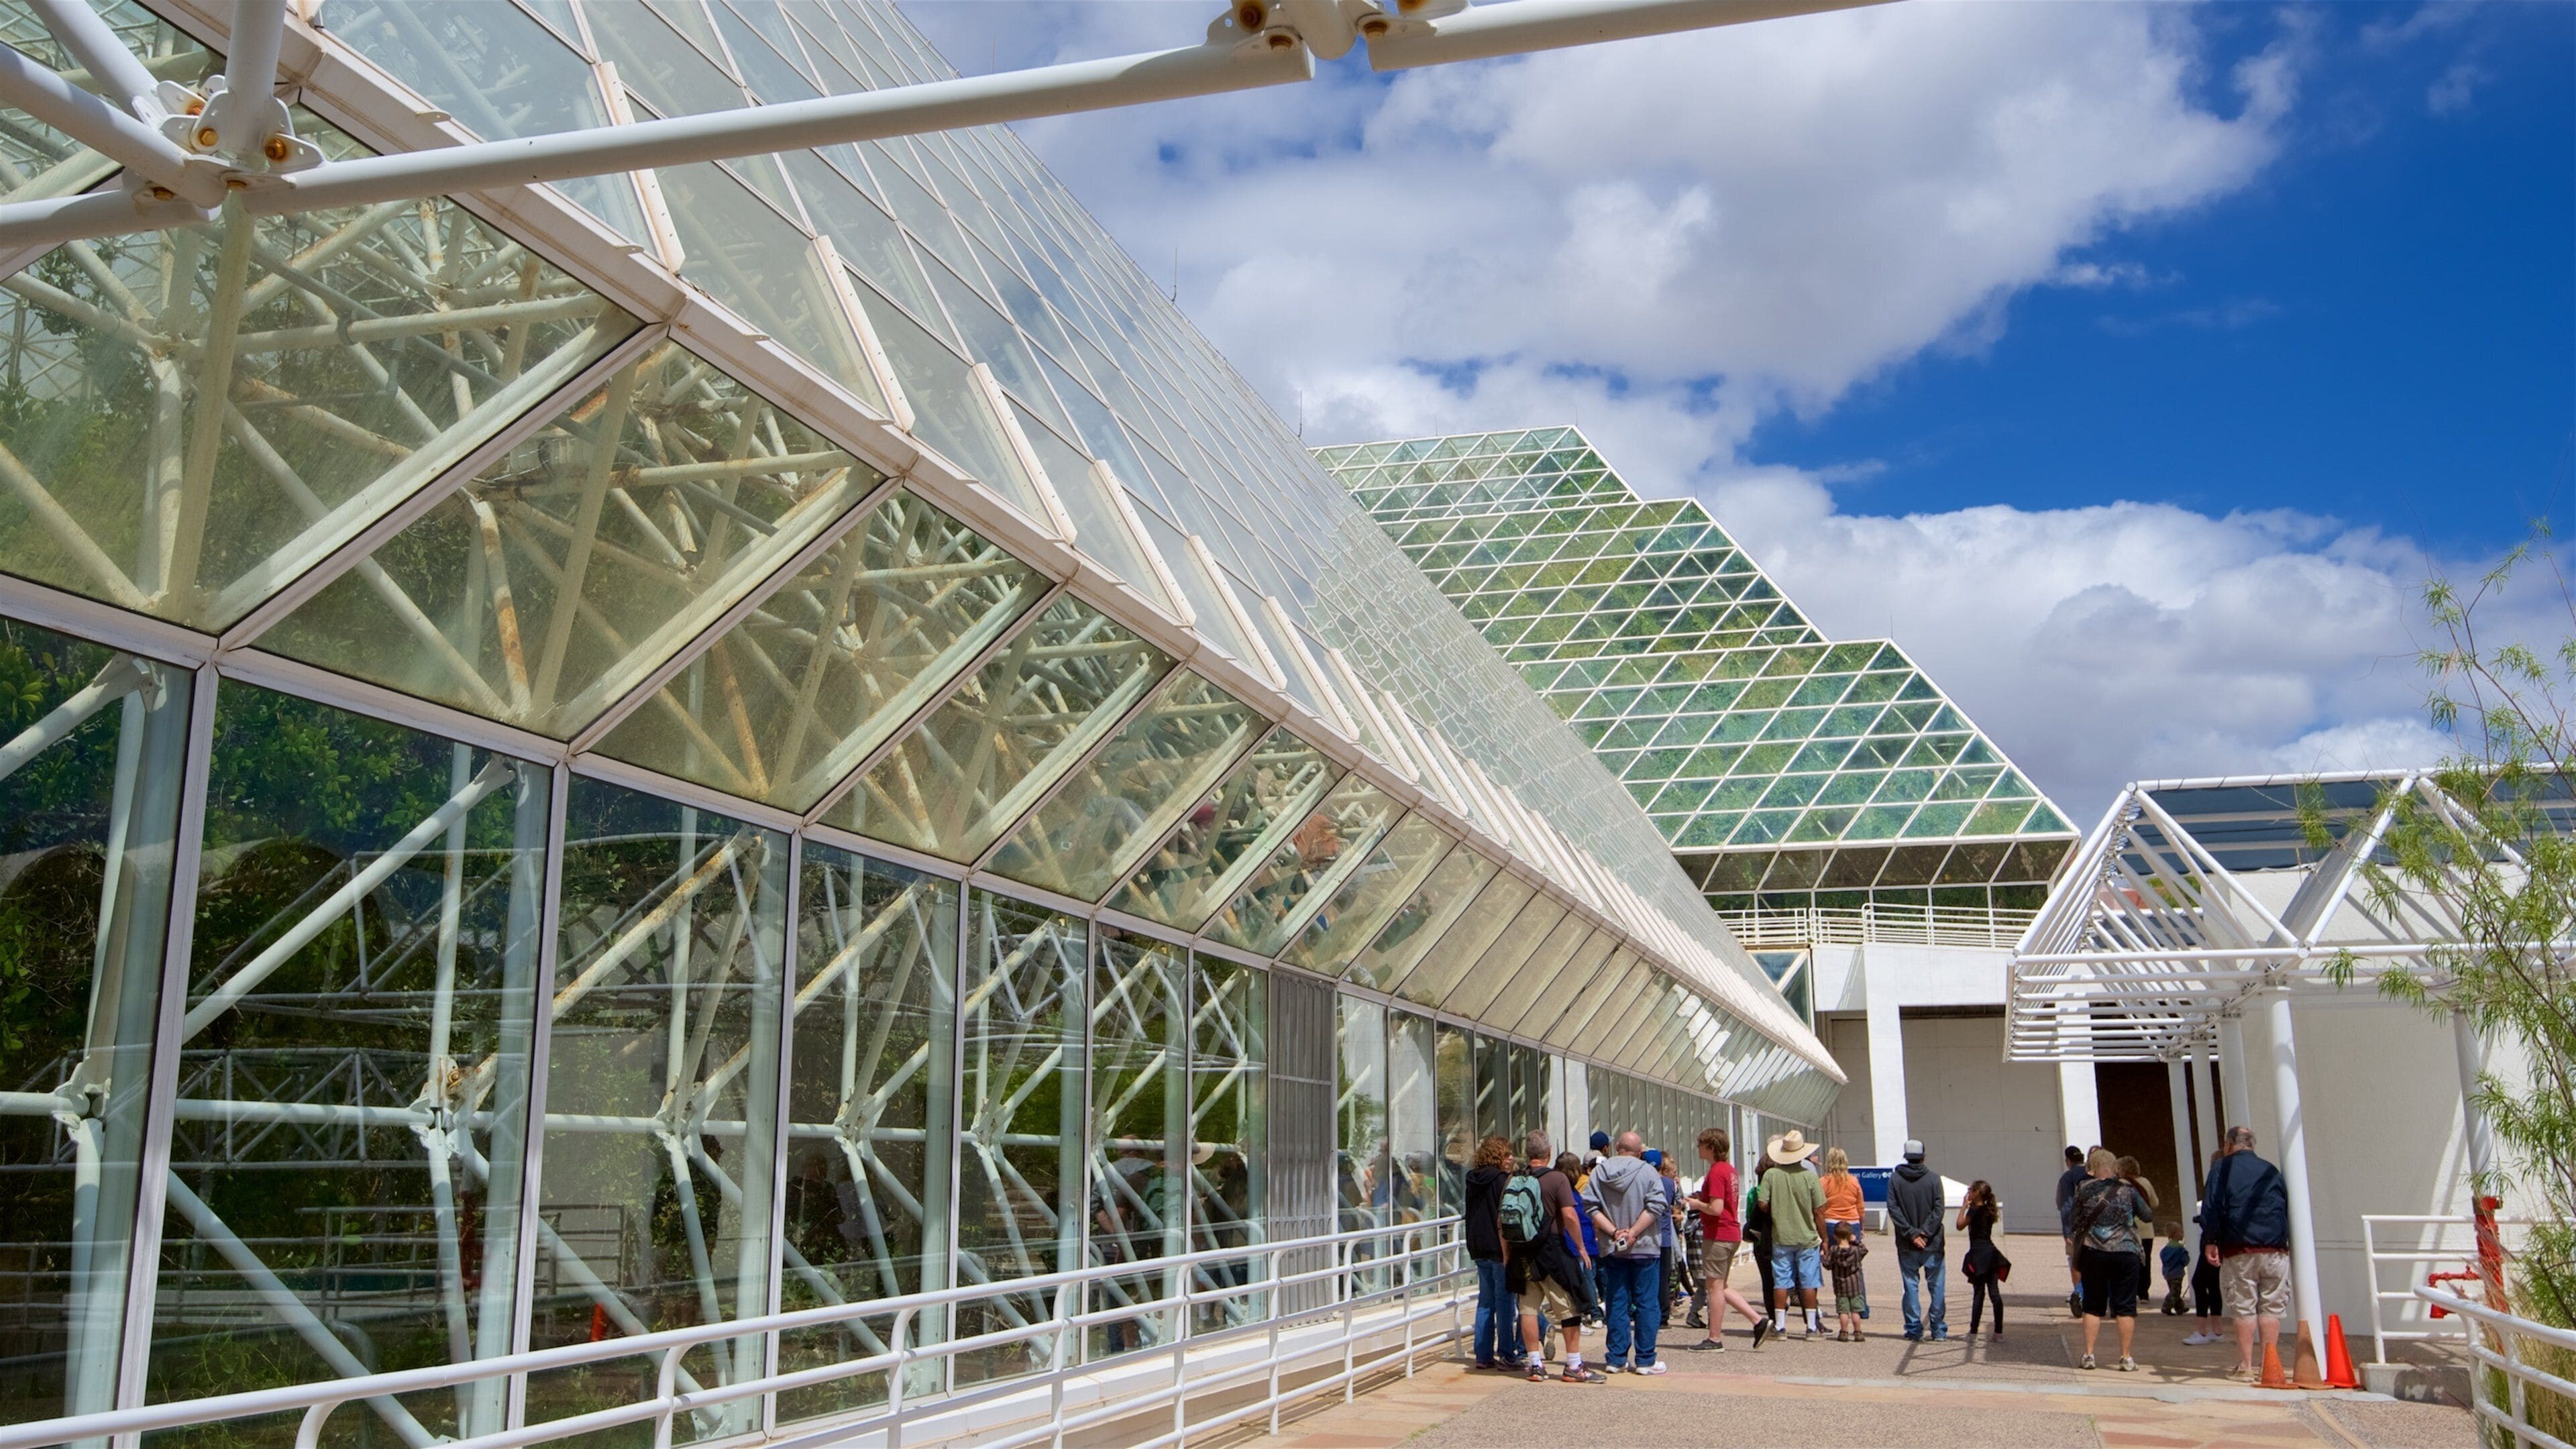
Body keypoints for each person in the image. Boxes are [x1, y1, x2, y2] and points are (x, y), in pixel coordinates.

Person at [1509, 1132, 1603, 1383]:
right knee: (1569, 1307)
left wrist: (1508, 1255)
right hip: (1552, 1250)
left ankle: (1535, 1365)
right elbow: (1570, 1216)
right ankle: (1573, 1365)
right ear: (1549, 1152)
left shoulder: (1515, 1179)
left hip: (1522, 1251)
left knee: (1528, 1309)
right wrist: (1581, 1248)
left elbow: (1502, 1221)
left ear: (1527, 1152)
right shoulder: (1557, 1179)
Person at [2201, 1125, 2292, 1383]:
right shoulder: (2270, 1169)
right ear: (2252, 1144)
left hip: (2239, 1246)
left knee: (2243, 1306)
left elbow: (2212, 1206)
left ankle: (2245, 1367)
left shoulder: (2222, 1167)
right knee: (2271, 1307)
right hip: (2275, 1248)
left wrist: (2210, 1240)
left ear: (2229, 1144)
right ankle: (2269, 1365)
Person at [1584, 1132, 1667, 1375]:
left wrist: (1615, 1232)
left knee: (1617, 1302)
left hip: (1613, 1248)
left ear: (1616, 1148)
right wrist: (1633, 1232)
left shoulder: (1600, 1172)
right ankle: (1646, 1360)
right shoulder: (1648, 1172)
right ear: (1640, 1152)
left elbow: (1590, 1205)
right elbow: (1657, 1206)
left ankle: (1616, 1358)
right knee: (1646, 1303)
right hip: (1645, 1246)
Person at [1682, 1126, 1768, 1352]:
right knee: (1720, 1286)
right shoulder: (1728, 1170)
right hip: (1730, 1233)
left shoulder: (1716, 1172)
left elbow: (1717, 1208)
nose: (1698, 1148)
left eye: (1701, 1144)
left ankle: (1715, 1338)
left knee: (1714, 1288)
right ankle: (1757, 1321)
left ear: (1711, 1147)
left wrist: (1697, 1204)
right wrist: (1703, 1198)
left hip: (1718, 1234)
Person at [2067, 1146, 2152, 1371]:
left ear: (2092, 1168)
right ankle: (2126, 1358)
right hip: (2126, 1251)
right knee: (2125, 1307)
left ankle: (2089, 1355)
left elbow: (2074, 1221)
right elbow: (2147, 1215)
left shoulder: (2083, 1189)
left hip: (2093, 1252)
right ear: (2114, 1168)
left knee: (2093, 1306)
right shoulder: (2128, 1190)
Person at [1756, 1129, 1827, 1339]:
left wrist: (1777, 1209)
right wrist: (1825, 1238)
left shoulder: (1771, 1175)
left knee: (1781, 1282)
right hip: (1807, 1237)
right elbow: (1819, 1210)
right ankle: (1811, 1327)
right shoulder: (1810, 1176)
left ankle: (1780, 1326)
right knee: (1809, 1282)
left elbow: (1762, 1203)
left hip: (1781, 1236)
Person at [1463, 1134, 1522, 1371]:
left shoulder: (1471, 1178)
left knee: (1486, 1302)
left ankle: (1483, 1355)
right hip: (1499, 1247)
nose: (1511, 1158)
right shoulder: (1501, 1180)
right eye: (1507, 1154)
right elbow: (1504, 1217)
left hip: (1478, 1246)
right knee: (1505, 1302)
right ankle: (1507, 1353)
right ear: (1498, 1156)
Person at [1886, 1138, 1947, 1341]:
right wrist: (1925, 1233)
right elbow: (1939, 1209)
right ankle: (1938, 1329)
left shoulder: (1895, 1179)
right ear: (1923, 1156)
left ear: (1905, 1156)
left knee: (1911, 1286)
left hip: (1907, 1244)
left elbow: (1893, 1209)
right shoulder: (1934, 1179)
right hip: (1933, 1243)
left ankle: (1914, 1329)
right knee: (1937, 1287)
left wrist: (1912, 1233)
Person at [1957, 1179, 2009, 1339]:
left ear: (1977, 1193)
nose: (1968, 1193)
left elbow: (1959, 1225)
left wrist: (1964, 1206)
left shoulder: (1974, 1211)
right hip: (1991, 1254)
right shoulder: (1989, 1210)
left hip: (1979, 1255)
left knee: (1979, 1293)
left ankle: (1973, 1331)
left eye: (1970, 1190)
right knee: (1994, 1293)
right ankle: (1998, 1331)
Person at [1647, 1150, 1690, 1328]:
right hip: (1665, 1235)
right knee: (1664, 1278)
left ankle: (1651, 1314)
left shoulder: (1646, 1182)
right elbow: (1675, 1204)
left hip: (1648, 1236)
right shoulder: (1668, 1183)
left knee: (1650, 1278)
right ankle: (1664, 1315)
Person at [2116, 1155, 2163, 1303]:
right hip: (2147, 1230)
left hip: (2127, 1229)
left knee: (2128, 1261)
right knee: (2145, 1261)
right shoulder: (2145, 1182)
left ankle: (2129, 1292)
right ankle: (2144, 1293)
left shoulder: (2120, 1184)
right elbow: (2155, 1203)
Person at [2056, 1144, 2088, 1318]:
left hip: (2076, 1228)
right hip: (2095, 1226)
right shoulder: (2092, 1173)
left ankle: (2079, 1294)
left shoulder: (2067, 1178)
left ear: (2068, 1161)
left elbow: (2066, 1207)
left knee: (2075, 1261)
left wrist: (2068, 1232)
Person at [1823, 1221, 1869, 1341]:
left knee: (1843, 1312)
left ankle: (1844, 1332)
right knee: (1856, 1312)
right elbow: (1864, 1250)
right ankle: (1858, 1332)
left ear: (1835, 1236)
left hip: (1840, 1286)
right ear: (1850, 1235)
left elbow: (1827, 1265)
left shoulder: (1833, 1250)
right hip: (1855, 1286)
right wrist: (1856, 1241)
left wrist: (1823, 1255)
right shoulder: (1856, 1250)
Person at [1819, 1146, 1864, 1243]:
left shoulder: (1823, 1182)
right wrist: (1862, 1227)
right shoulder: (1854, 1181)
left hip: (1831, 1222)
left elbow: (1819, 1207)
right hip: (1852, 1222)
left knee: (1832, 1252)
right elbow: (1860, 1207)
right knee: (1853, 1252)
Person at [2160, 1232, 2192, 1315]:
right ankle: (2166, 1306)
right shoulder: (2180, 1249)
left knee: (2174, 1289)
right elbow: (2185, 1260)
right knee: (2175, 1292)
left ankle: (2180, 1307)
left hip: (2167, 1272)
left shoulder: (2166, 1248)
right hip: (2177, 1273)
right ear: (2176, 1235)